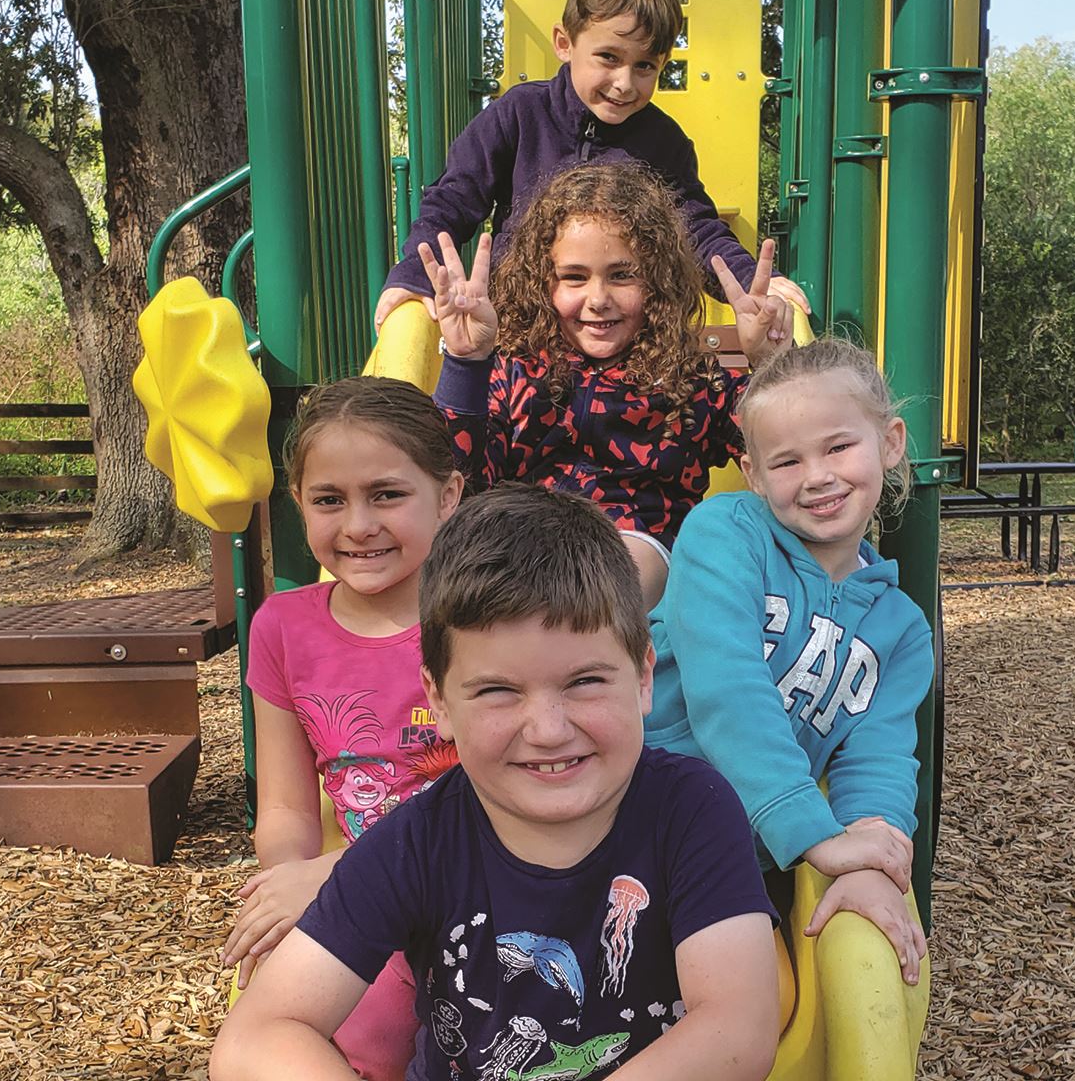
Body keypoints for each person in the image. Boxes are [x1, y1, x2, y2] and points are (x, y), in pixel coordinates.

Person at [210, 485, 781, 1081]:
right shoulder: (419, 841)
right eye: (498, 691)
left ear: (642, 676)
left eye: (585, 681)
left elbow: (736, 1029)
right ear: (440, 702)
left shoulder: (692, 809)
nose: (549, 730)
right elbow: (258, 1035)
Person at [645, 338, 932, 986]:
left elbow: (878, 755)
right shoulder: (723, 535)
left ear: (890, 442)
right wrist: (815, 835)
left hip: (747, 854)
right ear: (753, 474)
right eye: (787, 460)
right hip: (633, 815)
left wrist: (871, 852)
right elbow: (727, 691)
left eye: (838, 447)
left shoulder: (900, 631)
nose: (817, 476)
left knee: (751, 1006)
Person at [221, 376, 464, 1079]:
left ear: (447, 497)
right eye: (329, 500)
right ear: (298, 504)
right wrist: (287, 892)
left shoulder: (485, 618)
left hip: (478, 878)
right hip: (365, 899)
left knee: (384, 1036)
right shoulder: (283, 628)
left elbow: (504, 796)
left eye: (386, 494)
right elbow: (288, 809)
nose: (358, 524)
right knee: (272, 1035)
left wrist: (334, 875)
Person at [374, 0, 809, 330]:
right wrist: (416, 272)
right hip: (524, 327)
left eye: (645, 67)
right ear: (565, 43)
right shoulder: (520, 114)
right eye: (608, 58)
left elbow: (696, 229)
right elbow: (455, 198)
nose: (624, 83)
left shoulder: (663, 142)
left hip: (620, 332)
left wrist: (753, 281)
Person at [426, 161, 791, 609]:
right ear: (543, 283)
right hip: (519, 542)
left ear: (657, 282)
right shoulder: (516, 370)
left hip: (634, 547)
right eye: (574, 277)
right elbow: (456, 474)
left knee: (605, 578)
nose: (598, 300)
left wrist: (768, 365)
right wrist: (467, 360)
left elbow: (777, 450)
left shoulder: (689, 380)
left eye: (622, 275)